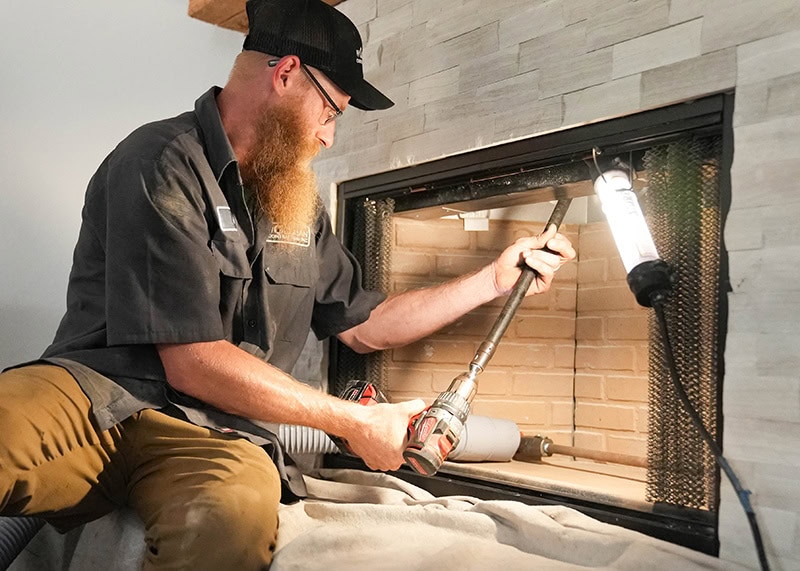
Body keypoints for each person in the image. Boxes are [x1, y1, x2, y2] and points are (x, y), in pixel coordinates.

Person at [0, 0, 575, 568]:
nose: (329, 137)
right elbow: (191, 359)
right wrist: (350, 421)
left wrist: (492, 281)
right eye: (331, 112)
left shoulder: (295, 202)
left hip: (218, 437)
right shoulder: (159, 161)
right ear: (286, 73)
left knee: (233, 518)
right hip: (96, 398)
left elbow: (364, 325)